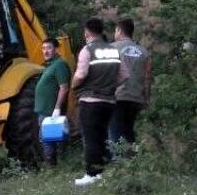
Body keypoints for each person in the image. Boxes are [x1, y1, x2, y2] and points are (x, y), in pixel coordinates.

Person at [71, 18, 128, 186]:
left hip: (90, 100)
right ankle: (101, 172)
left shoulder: (87, 50)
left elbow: (81, 75)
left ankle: (91, 174)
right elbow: (125, 75)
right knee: (102, 136)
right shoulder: (113, 50)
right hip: (109, 101)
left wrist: (73, 86)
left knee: (90, 137)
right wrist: (110, 86)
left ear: (87, 32)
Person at [108, 18, 151, 152]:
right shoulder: (144, 52)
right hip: (136, 98)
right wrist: (146, 98)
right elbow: (147, 78)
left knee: (115, 131)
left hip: (117, 96)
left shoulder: (111, 48)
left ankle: (119, 165)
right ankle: (132, 163)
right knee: (128, 131)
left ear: (119, 31)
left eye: (115, 30)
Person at [34, 38, 71, 165]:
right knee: (48, 139)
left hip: (51, 112)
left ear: (56, 49)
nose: (46, 51)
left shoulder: (59, 65)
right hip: (44, 112)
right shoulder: (49, 66)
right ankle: (55, 167)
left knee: (50, 139)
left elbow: (64, 88)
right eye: (43, 48)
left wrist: (57, 108)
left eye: (49, 48)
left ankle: (55, 168)